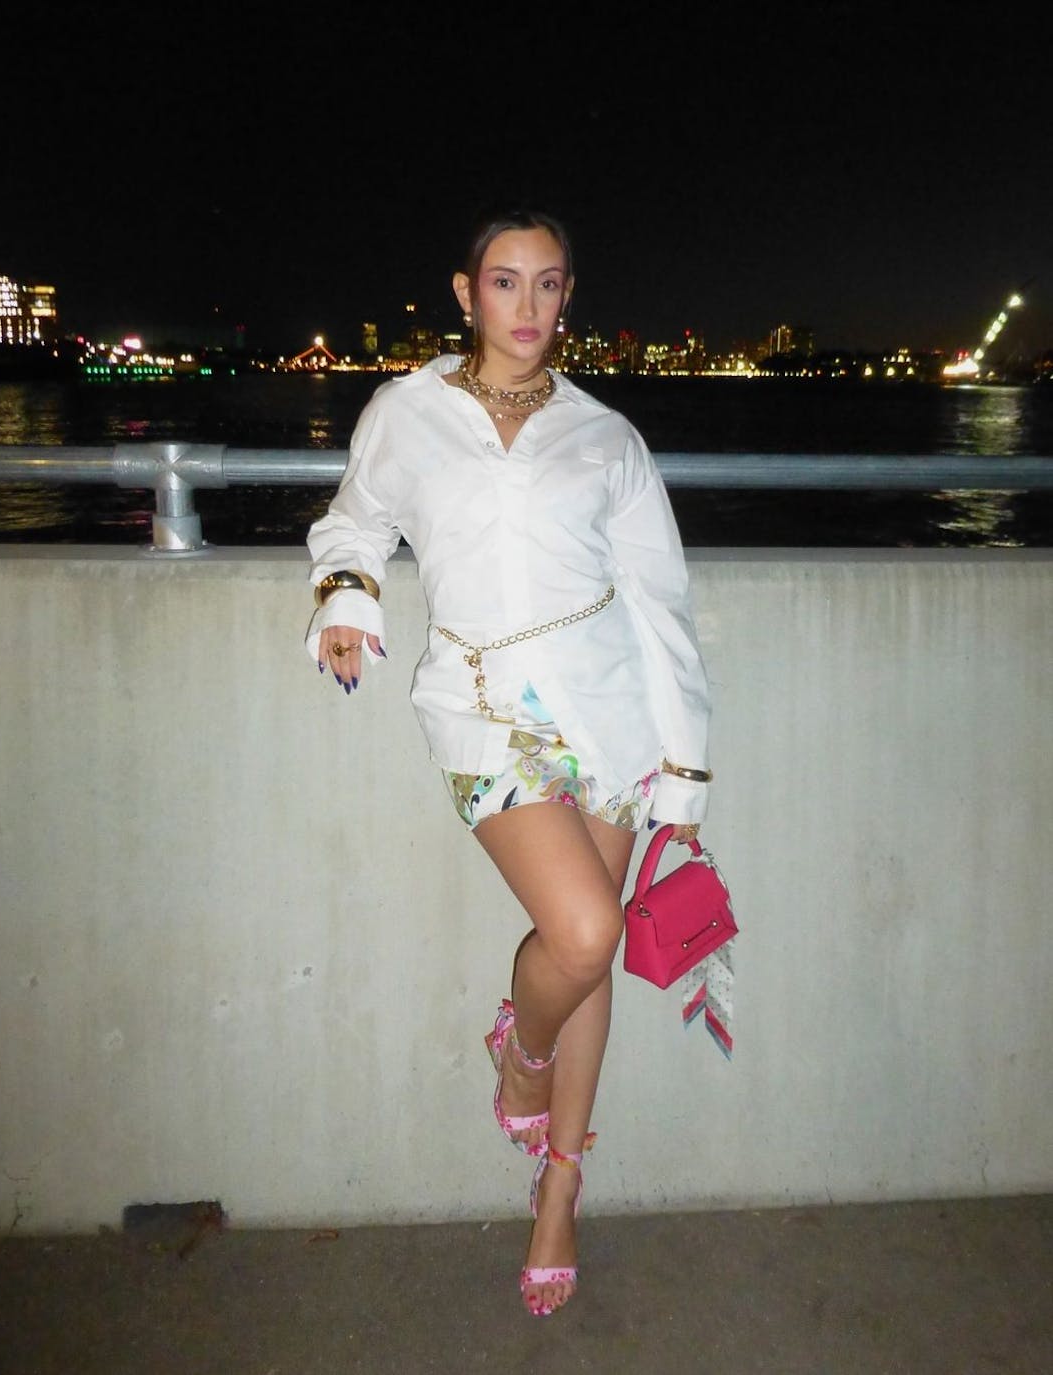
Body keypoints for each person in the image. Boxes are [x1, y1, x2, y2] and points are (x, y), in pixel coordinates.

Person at [304, 208, 711, 1318]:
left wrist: (682, 769)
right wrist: (348, 602)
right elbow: (355, 521)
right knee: (580, 932)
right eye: (503, 283)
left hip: (613, 713)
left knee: (587, 962)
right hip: (486, 709)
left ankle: (560, 1190)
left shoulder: (604, 436)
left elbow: (659, 607)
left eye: (546, 285)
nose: (525, 308)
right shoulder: (407, 412)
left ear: (568, 294)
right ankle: (516, 1053)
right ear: (463, 292)